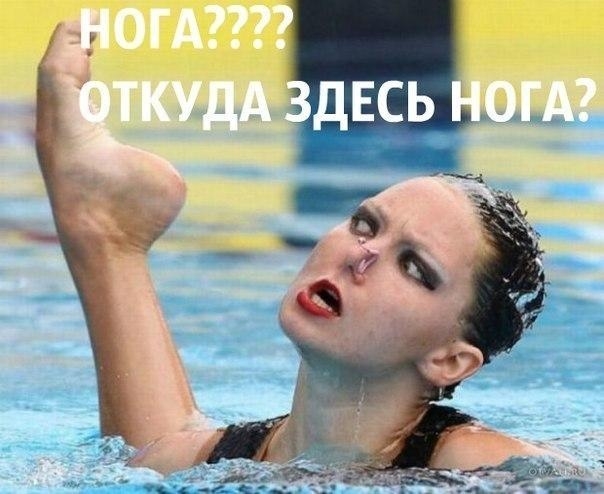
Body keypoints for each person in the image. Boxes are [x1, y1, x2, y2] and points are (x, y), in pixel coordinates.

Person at [36, 17, 572, 476]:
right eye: (365, 224)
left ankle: (105, 238)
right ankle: (106, 239)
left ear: (449, 359)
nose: (362, 254)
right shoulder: (226, 461)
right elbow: (144, 460)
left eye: (414, 267)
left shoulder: (482, 469)